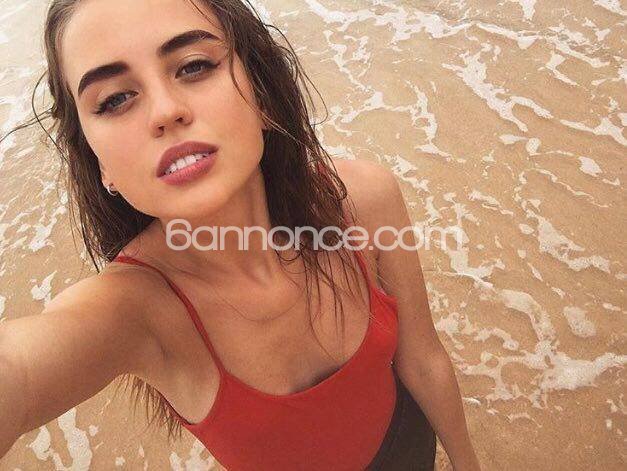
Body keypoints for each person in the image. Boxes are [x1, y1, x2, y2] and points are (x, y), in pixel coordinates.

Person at [0, 0, 481, 470]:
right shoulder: (136, 312)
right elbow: (18, 370)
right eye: (114, 100)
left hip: (409, 441)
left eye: (193, 66)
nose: (165, 110)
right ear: (99, 161)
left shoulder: (360, 201)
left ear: (262, 94)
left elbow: (423, 360)